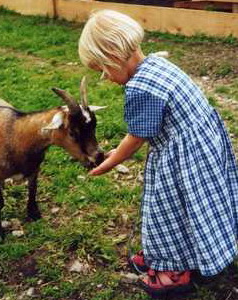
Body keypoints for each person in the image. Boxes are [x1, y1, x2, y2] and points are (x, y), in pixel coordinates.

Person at [78, 9, 238, 299]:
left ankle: (174, 271)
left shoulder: (140, 87)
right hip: (204, 146)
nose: (106, 78)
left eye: (104, 70)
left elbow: (138, 137)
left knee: (167, 211)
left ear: (115, 55)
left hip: (183, 158)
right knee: (198, 205)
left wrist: (112, 161)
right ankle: (190, 253)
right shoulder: (158, 64)